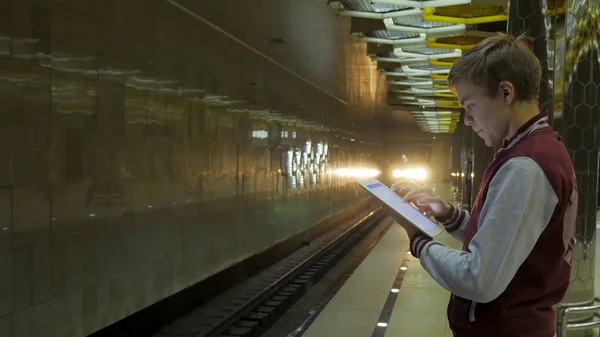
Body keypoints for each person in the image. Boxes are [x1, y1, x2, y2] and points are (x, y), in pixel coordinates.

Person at [390, 33, 578, 337]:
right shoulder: (534, 150)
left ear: (506, 93)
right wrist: (446, 212)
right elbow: (505, 240)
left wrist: (417, 239)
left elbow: (478, 279)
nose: (468, 120)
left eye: (471, 105)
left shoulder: (526, 165)